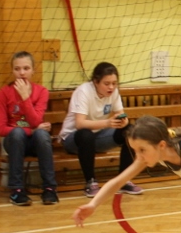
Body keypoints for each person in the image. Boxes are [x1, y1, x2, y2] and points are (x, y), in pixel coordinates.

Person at [59, 62, 143, 198]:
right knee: (86, 134)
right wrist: (107, 122)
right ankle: (91, 182)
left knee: (130, 131)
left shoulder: (114, 92)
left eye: (114, 83)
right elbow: (80, 124)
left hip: (97, 137)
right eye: (107, 83)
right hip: (73, 139)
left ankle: (123, 180)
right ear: (96, 82)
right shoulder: (83, 91)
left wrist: (123, 121)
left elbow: (122, 114)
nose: (111, 87)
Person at [0, 51, 58, 206]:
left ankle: (49, 189)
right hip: (14, 141)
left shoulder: (42, 92)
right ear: (12, 71)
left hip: (34, 142)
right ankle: (16, 190)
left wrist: (25, 97)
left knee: (42, 135)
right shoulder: (4, 93)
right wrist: (31, 130)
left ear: (33, 70)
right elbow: (1, 129)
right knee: (17, 133)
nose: (21, 73)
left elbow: (35, 121)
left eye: (26, 68)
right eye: (17, 69)